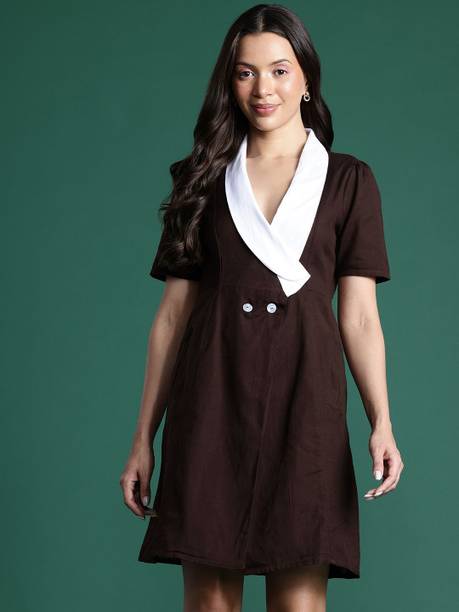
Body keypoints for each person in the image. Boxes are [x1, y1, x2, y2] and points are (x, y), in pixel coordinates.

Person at [120, 4, 404, 611]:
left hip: (307, 401)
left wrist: (381, 420)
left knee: (299, 601)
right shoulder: (202, 176)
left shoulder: (348, 180)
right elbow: (171, 317)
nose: (262, 88)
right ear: (230, 83)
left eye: (279, 70)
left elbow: (359, 316)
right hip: (212, 397)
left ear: (306, 79)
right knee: (209, 603)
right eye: (245, 73)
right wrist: (144, 437)